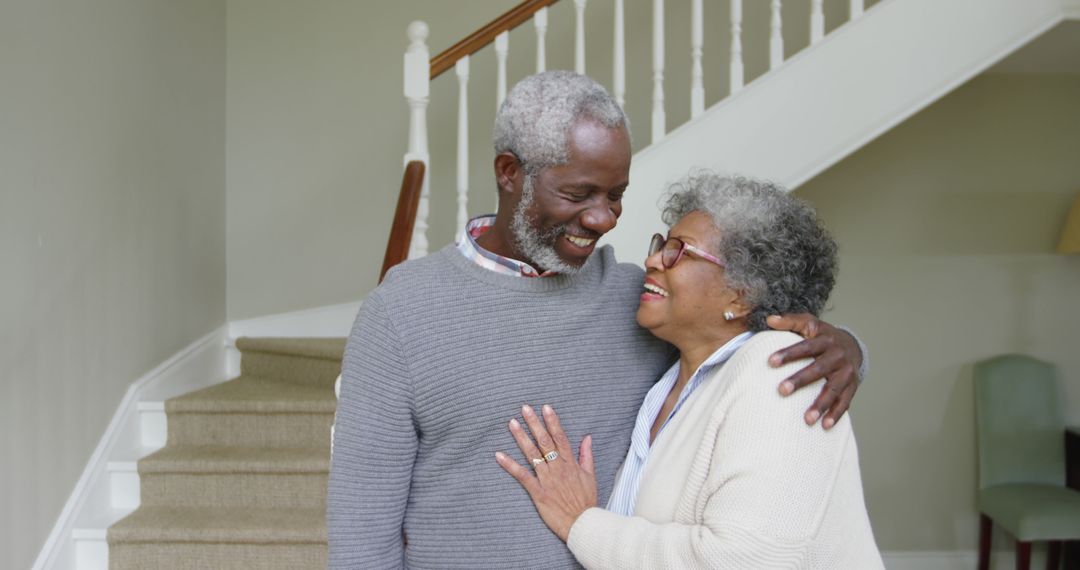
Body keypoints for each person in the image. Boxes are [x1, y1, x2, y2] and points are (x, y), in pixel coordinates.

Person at [328, 71, 866, 568]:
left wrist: (847, 348)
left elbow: (749, 348)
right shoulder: (401, 312)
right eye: (578, 194)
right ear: (510, 172)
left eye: (616, 195)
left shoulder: (641, 303)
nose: (603, 218)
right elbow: (362, 536)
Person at [496, 173, 884, 569]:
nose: (652, 261)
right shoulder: (670, 380)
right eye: (661, 245)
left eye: (678, 251)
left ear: (742, 295)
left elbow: (744, 560)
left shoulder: (779, 367)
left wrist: (581, 524)